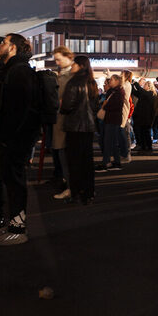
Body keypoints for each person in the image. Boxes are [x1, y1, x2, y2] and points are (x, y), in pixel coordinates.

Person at [0, 33, 41, 246]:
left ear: (13, 48)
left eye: (4, 42)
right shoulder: (10, 70)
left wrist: (6, 138)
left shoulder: (19, 72)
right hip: (9, 138)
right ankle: (13, 224)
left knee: (15, 182)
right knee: (10, 181)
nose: (0, 45)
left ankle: (18, 228)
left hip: (13, 139)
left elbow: (19, 111)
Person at [59, 56, 99, 204]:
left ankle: (76, 192)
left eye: (74, 63)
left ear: (80, 65)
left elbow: (67, 106)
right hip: (88, 127)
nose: (72, 66)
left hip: (75, 126)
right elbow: (95, 106)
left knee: (74, 161)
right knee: (87, 161)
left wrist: (62, 105)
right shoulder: (91, 82)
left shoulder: (74, 82)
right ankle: (89, 192)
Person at [50, 46, 75, 200]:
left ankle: (71, 188)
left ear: (68, 56)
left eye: (59, 59)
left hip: (66, 122)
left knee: (65, 157)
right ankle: (70, 187)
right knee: (63, 156)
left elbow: (67, 99)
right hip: (62, 121)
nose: (57, 62)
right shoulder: (64, 74)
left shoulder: (71, 75)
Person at [99, 75, 127, 171]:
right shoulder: (116, 91)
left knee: (108, 142)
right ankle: (117, 162)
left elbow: (116, 105)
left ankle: (106, 162)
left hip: (112, 119)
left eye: (111, 80)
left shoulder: (118, 92)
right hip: (113, 119)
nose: (109, 81)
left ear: (116, 81)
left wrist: (105, 106)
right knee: (113, 142)